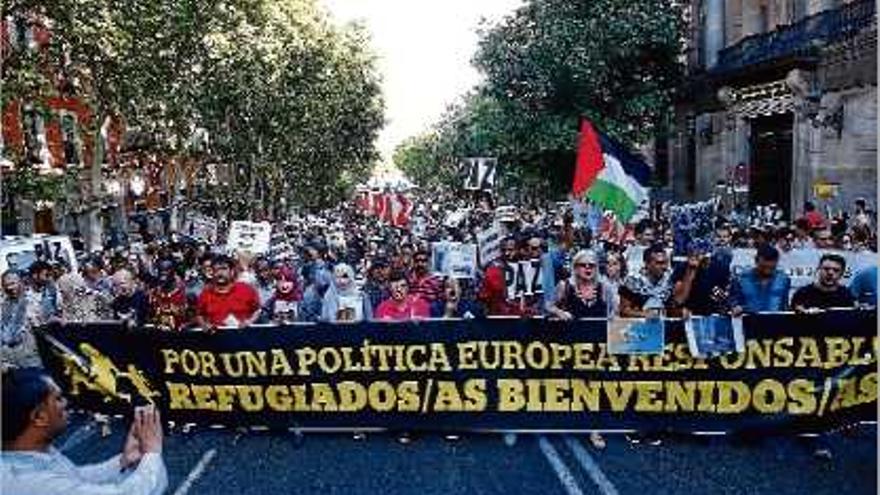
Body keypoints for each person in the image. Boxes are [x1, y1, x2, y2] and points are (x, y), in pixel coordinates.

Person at [0, 367, 167, 495]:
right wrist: (152, 453)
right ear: (38, 417)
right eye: (58, 399)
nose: (66, 403)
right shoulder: (36, 483)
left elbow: (74, 477)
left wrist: (122, 462)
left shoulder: (27, 455)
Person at [195, 254, 261, 330]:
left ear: (232, 271)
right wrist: (204, 325)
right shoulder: (205, 294)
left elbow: (257, 310)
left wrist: (249, 322)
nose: (220, 273)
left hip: (243, 338)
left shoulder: (246, 289)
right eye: (216, 270)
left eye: (224, 269)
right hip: (216, 338)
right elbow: (199, 315)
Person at [546, 249, 609, 320]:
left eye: (591, 265)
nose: (587, 267)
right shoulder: (565, 286)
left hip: (598, 329)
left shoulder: (603, 287)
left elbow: (612, 312)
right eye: (583, 265)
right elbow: (548, 306)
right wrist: (560, 313)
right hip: (571, 329)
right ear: (575, 268)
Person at [730, 244, 791, 315]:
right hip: (749, 323)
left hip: (775, 323)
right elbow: (733, 301)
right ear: (756, 261)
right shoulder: (740, 279)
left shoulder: (784, 279)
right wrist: (735, 307)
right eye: (763, 267)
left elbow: (785, 306)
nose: (767, 271)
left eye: (771, 268)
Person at [1, 271, 42, 369]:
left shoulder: (35, 301)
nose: (10, 288)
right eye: (6, 285)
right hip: (9, 363)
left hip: (34, 360)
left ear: (21, 282)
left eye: (13, 283)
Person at [618, 244, 672, 317]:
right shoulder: (633, 281)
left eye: (665, 263)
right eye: (659, 263)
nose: (664, 267)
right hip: (639, 325)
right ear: (647, 264)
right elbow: (624, 310)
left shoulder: (671, 280)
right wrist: (644, 314)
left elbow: (675, 305)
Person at [791, 254, 855, 311]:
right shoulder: (802, 294)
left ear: (842, 273)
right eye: (826, 269)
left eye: (836, 270)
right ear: (818, 269)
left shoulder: (847, 295)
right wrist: (803, 312)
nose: (830, 273)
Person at [148, 259, 187, 330]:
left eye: (166, 271)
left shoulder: (183, 291)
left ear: (173, 272)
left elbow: (189, 317)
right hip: (159, 332)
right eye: (161, 271)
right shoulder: (154, 292)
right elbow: (151, 315)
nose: (163, 275)